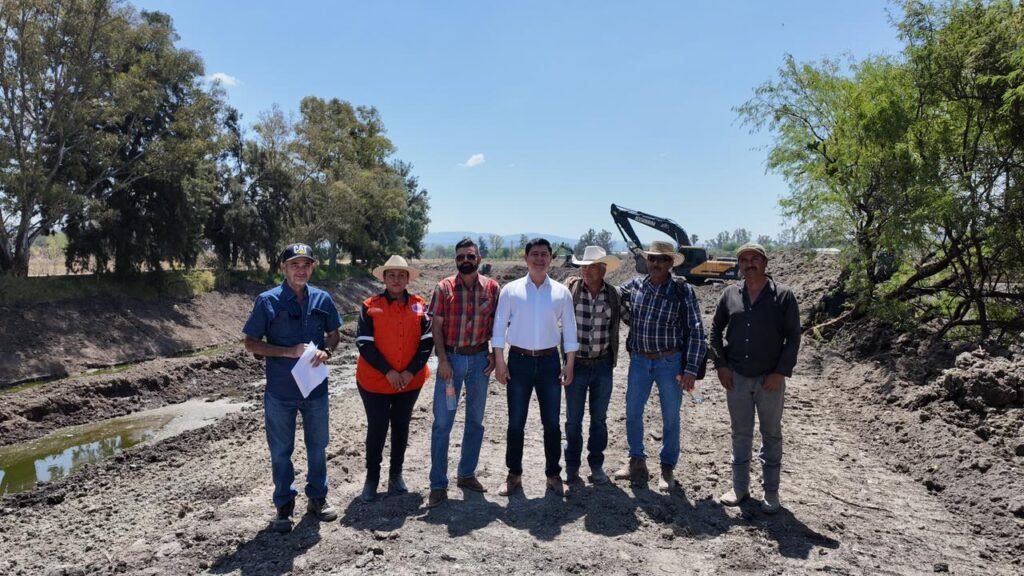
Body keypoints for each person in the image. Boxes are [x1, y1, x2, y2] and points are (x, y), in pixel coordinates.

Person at [243, 242, 342, 533]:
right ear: (283, 267)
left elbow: (334, 334)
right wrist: (288, 352)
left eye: (306, 265)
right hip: (280, 392)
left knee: (318, 447)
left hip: (315, 390)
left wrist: (327, 350)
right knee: (281, 450)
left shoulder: (323, 299)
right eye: (294, 265)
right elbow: (250, 343)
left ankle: (318, 499)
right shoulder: (267, 301)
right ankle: (284, 505)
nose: (301, 270)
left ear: (313, 267)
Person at [711, 243, 800, 514]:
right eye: (744, 260)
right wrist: (721, 366)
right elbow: (715, 331)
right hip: (736, 377)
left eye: (754, 259)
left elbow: (793, 337)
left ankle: (771, 493)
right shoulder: (729, 294)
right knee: (740, 434)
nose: (749, 264)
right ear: (739, 265)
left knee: (771, 434)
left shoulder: (784, 296)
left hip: (769, 380)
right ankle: (739, 488)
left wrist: (780, 372)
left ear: (765, 263)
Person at [615, 240, 707, 491]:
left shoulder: (682, 291)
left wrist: (690, 370)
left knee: (670, 417)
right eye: (653, 259)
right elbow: (610, 293)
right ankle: (636, 460)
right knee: (632, 412)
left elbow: (697, 330)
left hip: (670, 362)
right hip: (639, 361)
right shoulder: (633, 286)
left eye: (662, 260)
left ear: (670, 264)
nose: (656, 264)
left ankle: (667, 467)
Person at [491, 238, 578, 497]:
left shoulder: (561, 293)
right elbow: (498, 328)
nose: (539, 259)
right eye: (534, 254)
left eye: (544, 254)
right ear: (526, 258)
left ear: (551, 258)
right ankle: (513, 475)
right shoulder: (511, 290)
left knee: (551, 423)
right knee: (516, 423)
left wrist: (569, 364)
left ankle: (553, 475)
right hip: (518, 362)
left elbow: (570, 331)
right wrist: (499, 361)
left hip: (550, 362)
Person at [425, 238, 501, 508]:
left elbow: (497, 325)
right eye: (460, 257)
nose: (465, 261)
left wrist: (493, 353)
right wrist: (442, 360)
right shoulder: (444, 289)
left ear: (479, 258)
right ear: (455, 260)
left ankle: (466, 474)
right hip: (452, 362)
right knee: (442, 423)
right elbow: (436, 328)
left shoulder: (492, 289)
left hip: (480, 361)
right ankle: (438, 484)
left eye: (470, 256)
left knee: (476, 421)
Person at [355, 255, 433, 503]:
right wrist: (388, 371)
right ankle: (372, 479)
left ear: (408, 278)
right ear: (384, 278)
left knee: (401, 426)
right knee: (377, 428)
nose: (397, 279)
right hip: (374, 381)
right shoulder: (369, 305)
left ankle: (396, 475)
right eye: (392, 275)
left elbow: (426, 342)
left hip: (410, 381)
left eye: (401, 275)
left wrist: (410, 371)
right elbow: (364, 343)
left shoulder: (420, 306)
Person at [563, 245, 623, 486]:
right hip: (575, 366)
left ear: (603, 270)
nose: (586, 271)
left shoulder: (614, 296)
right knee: (573, 420)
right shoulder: (570, 291)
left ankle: (596, 465)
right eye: (583, 267)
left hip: (602, 366)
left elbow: (630, 317)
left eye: (592, 267)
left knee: (599, 419)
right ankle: (571, 466)